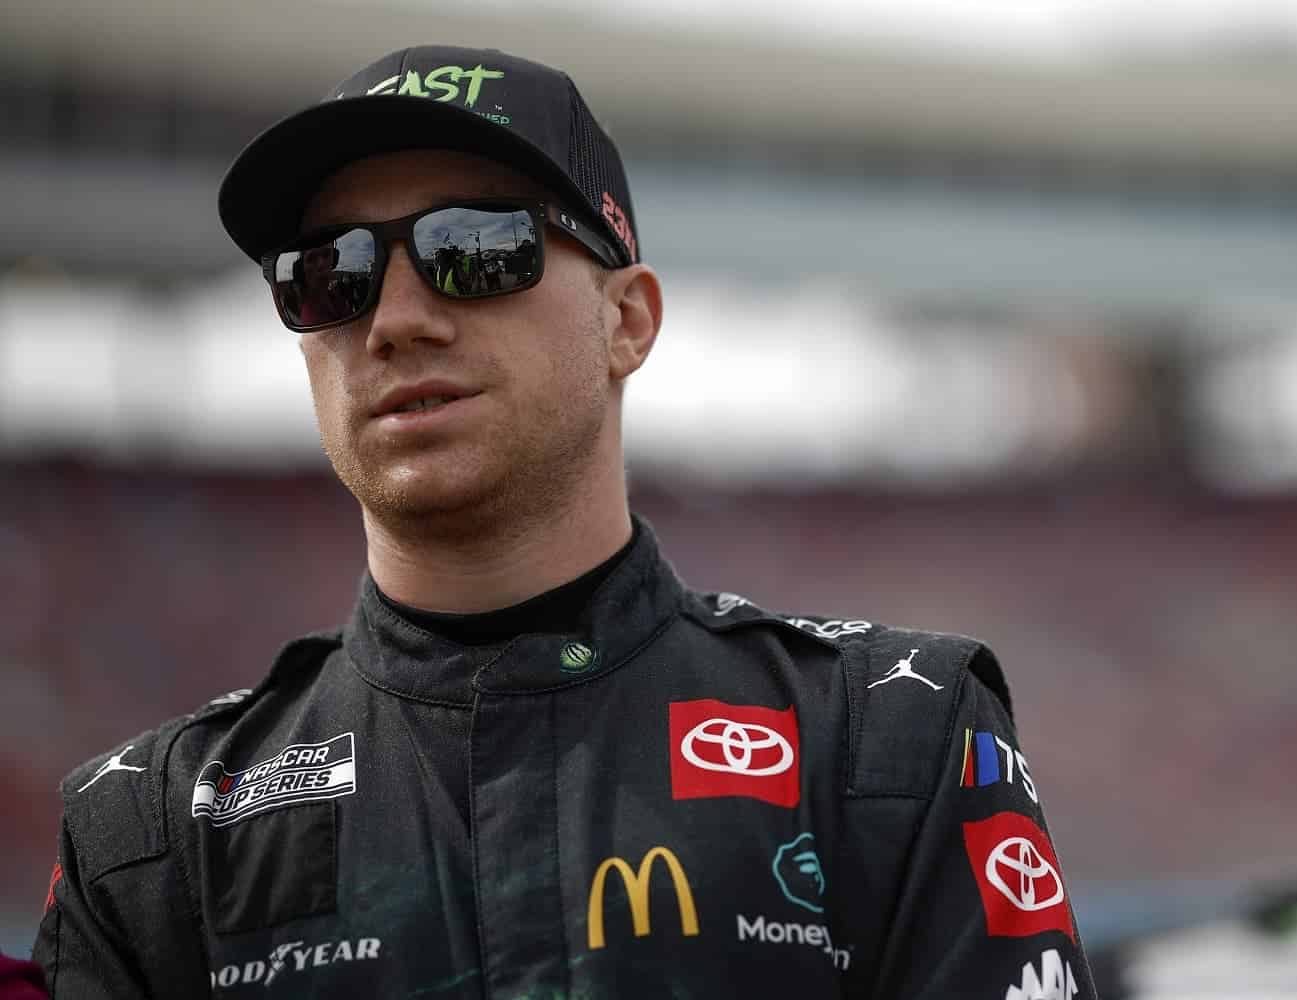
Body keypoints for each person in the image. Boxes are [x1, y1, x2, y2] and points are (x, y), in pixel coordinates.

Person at [32, 45, 1097, 999]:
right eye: (332, 274)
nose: (398, 317)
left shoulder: (891, 742)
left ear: (626, 321)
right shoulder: (153, 831)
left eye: (476, 247)